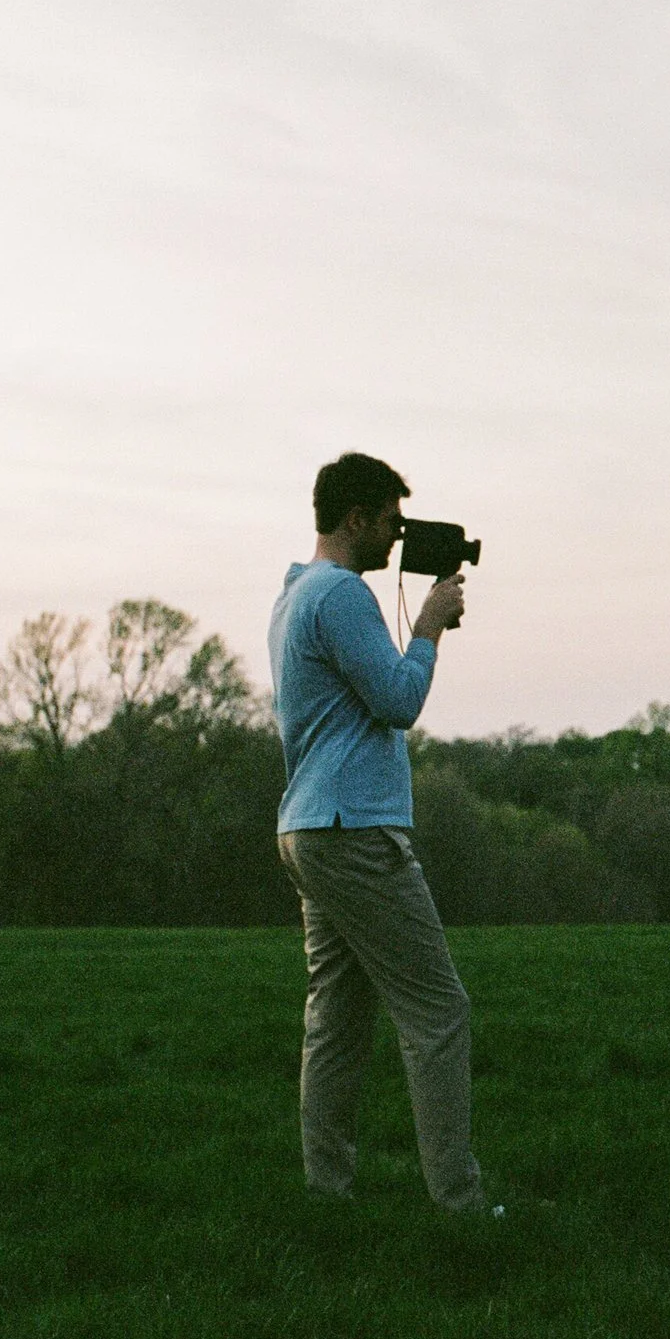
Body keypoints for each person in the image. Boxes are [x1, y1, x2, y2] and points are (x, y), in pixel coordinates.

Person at [269, 451, 495, 1212]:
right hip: (354, 827)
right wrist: (429, 628)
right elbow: (398, 699)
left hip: (307, 827)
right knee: (439, 1010)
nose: (398, 538)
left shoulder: (294, 593)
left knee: (335, 1020)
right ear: (355, 517)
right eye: (390, 522)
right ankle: (460, 1203)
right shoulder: (340, 596)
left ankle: (327, 1192)